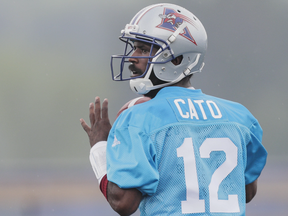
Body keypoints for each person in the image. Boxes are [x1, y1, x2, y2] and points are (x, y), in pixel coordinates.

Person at [80, 3, 267, 216]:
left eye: (143, 49)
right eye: (134, 47)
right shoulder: (240, 117)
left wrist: (100, 149)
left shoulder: (138, 118)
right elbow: (247, 192)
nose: (133, 56)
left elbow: (123, 202)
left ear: (176, 59)